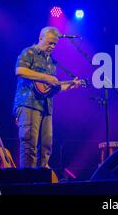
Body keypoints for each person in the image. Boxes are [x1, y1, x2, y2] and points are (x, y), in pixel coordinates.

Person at [13, 26, 80, 168]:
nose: (52, 46)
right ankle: (27, 181)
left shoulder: (51, 62)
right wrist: (45, 77)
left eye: (55, 44)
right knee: (29, 143)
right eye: (49, 42)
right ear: (40, 38)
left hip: (46, 106)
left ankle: (42, 178)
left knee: (46, 145)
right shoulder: (29, 52)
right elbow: (19, 70)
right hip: (28, 102)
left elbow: (51, 88)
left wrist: (69, 85)